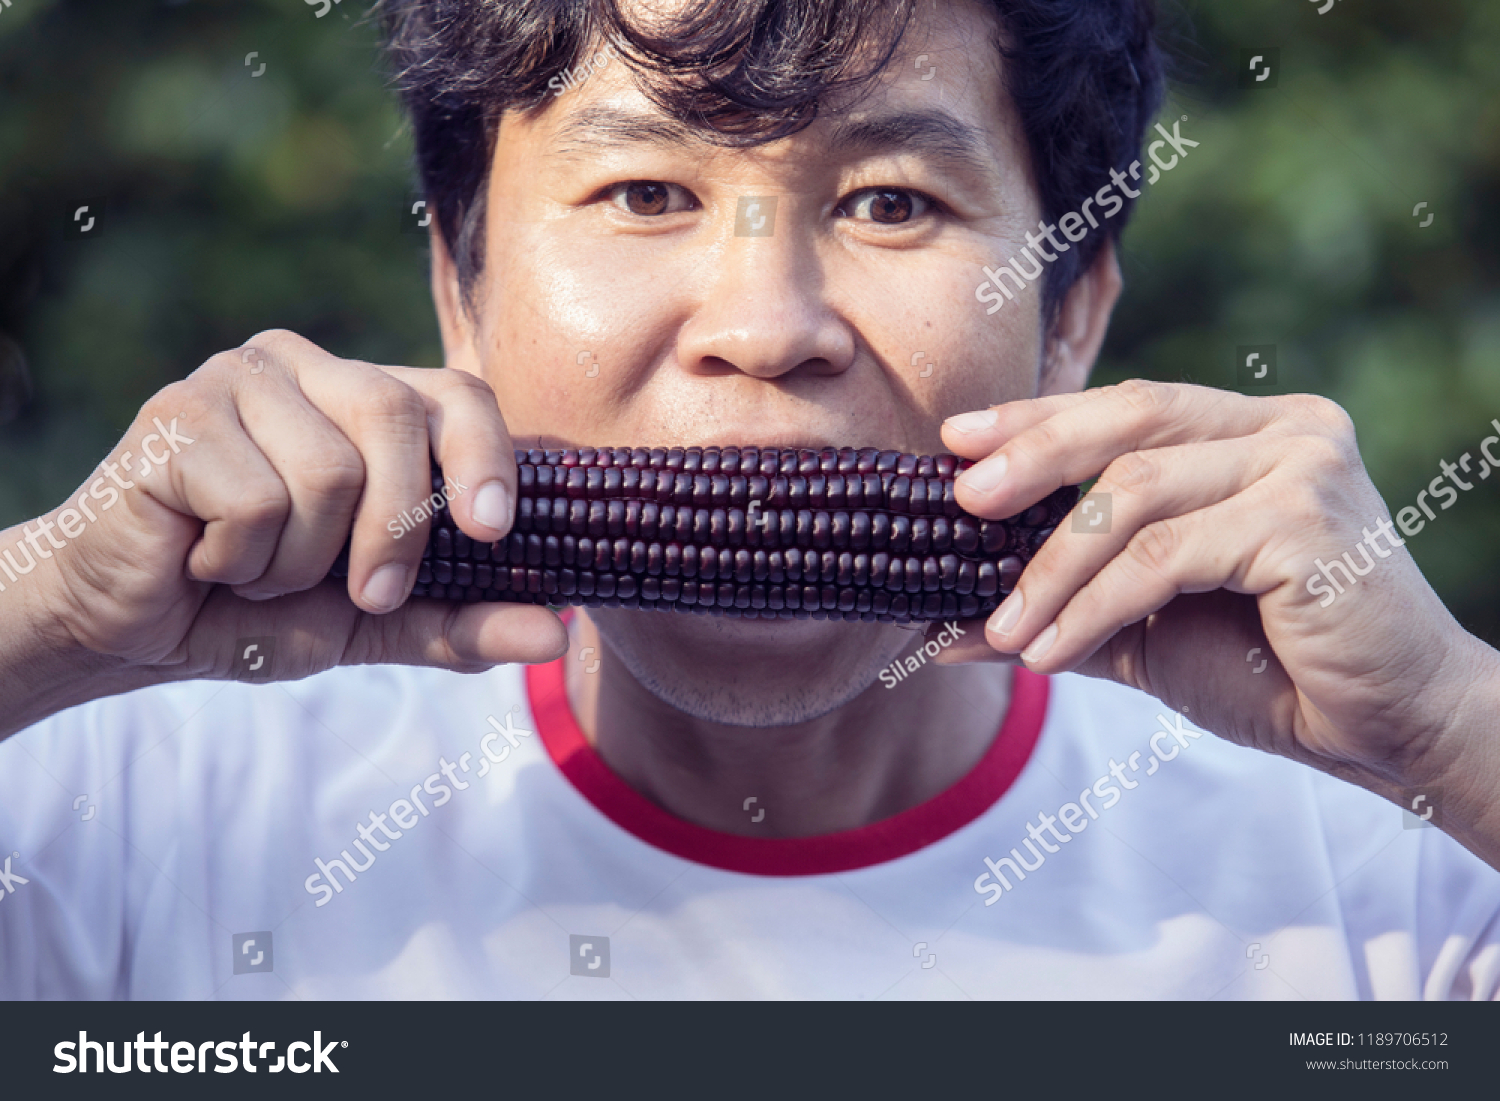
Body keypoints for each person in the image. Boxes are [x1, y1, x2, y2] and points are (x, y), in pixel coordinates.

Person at [1, 0, 1497, 1000]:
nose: (766, 323)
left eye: (892, 203)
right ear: (457, 291)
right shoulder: (136, 804)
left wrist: (1448, 720)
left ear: (1075, 310)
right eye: (646, 193)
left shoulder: (1382, 872)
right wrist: (46, 609)